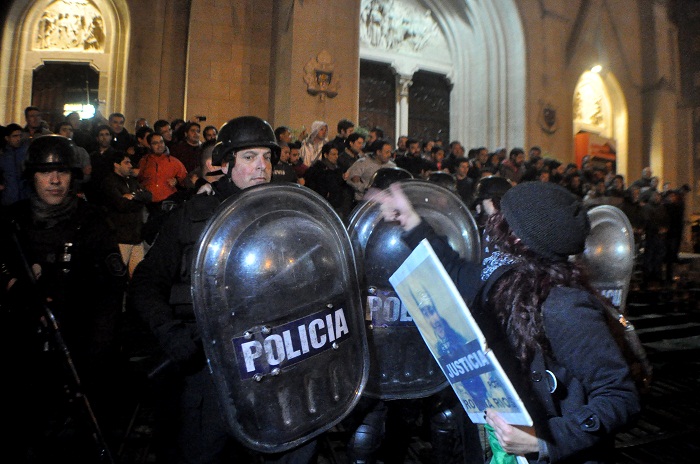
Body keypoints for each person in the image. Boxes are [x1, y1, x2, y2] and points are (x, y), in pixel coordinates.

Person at [369, 181, 640, 463]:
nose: (491, 219)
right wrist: (411, 220)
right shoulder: (505, 273)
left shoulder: (564, 306)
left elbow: (621, 396)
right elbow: (455, 271)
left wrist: (544, 439)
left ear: (518, 237)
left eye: (502, 215)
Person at [129, 116, 317, 464]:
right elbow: (146, 283)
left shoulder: (287, 217)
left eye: (266, 157)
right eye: (249, 157)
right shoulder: (193, 216)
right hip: (207, 366)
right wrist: (168, 331)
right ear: (226, 163)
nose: (261, 166)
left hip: (272, 365)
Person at [3, 135, 127, 461]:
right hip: (21, 354)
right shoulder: (12, 222)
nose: (55, 181)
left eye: (62, 172)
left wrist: (94, 356)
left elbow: (110, 295)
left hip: (77, 351)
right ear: (32, 176)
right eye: (46, 172)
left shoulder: (92, 222)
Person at [101, 151, 152, 278]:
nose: (130, 166)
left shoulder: (132, 182)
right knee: (118, 276)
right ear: (116, 165)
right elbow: (121, 204)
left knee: (138, 276)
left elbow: (148, 196)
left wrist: (133, 196)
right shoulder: (110, 182)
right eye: (126, 162)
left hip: (136, 237)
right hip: (121, 238)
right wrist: (138, 200)